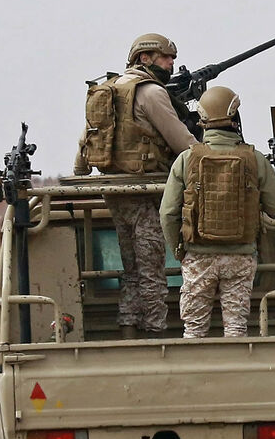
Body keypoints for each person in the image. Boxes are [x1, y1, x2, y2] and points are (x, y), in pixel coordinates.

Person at [76, 33, 197, 339]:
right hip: (146, 192)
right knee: (152, 272)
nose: (172, 64)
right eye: (166, 57)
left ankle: (128, 330)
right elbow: (182, 142)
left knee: (131, 272)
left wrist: (79, 177)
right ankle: (155, 341)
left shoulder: (109, 90)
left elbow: (86, 142)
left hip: (116, 192)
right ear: (145, 58)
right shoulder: (150, 92)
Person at [159, 86, 275, 338]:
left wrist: (179, 251)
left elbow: (168, 213)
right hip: (241, 257)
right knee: (236, 329)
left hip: (198, 258)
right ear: (235, 116)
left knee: (194, 330)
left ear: (202, 120)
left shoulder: (186, 159)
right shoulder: (255, 159)